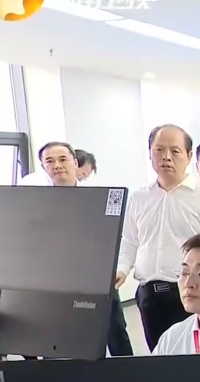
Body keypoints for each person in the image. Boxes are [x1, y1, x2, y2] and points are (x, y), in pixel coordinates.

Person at [117, 124, 200, 352]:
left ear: (188, 156)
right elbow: (130, 240)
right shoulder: (139, 198)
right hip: (149, 295)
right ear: (150, 154)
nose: (166, 157)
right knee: (158, 356)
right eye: (159, 150)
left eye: (175, 151)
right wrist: (122, 269)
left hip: (191, 292)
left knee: (193, 356)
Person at [38, 140, 134, 357]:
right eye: (50, 161)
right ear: (43, 166)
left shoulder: (101, 198)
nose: (57, 165)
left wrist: (119, 268)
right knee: (61, 339)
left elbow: (119, 237)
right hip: (58, 284)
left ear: (75, 162)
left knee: (115, 334)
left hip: (99, 279)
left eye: (63, 159)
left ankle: (129, 375)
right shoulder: (38, 203)